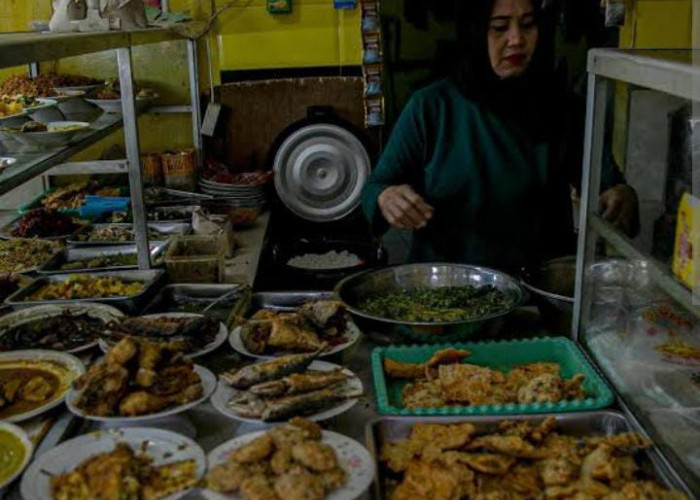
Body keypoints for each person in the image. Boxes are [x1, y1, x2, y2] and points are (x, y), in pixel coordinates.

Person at [361, 0, 639, 273]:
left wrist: (620, 194)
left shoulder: (562, 107)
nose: (517, 39)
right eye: (499, 27)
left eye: (528, 25)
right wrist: (387, 197)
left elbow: (607, 184)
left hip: (540, 286)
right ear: (475, 33)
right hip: (448, 288)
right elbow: (376, 186)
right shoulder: (432, 107)